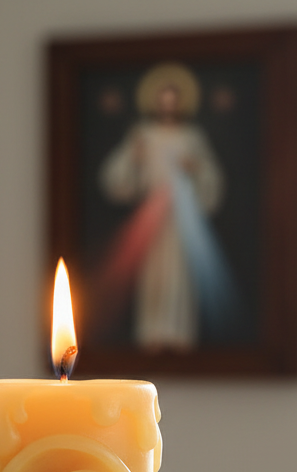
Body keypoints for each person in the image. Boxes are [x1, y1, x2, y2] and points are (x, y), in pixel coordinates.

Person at [98, 62, 237, 350]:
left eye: (173, 99)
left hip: (182, 216)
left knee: (179, 277)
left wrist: (194, 169)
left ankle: (178, 334)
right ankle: (152, 333)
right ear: (156, 102)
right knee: (153, 276)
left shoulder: (191, 136)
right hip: (150, 215)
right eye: (163, 99)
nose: (168, 105)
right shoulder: (143, 134)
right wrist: (135, 159)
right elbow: (117, 179)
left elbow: (211, 177)